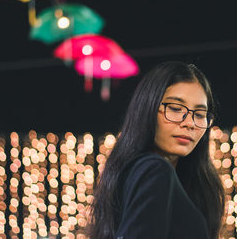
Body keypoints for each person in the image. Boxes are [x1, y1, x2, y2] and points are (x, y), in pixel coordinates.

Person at [87, 61, 225, 239]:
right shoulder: (155, 169)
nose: (189, 123)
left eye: (199, 115)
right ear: (148, 109)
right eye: (175, 109)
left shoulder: (137, 173)